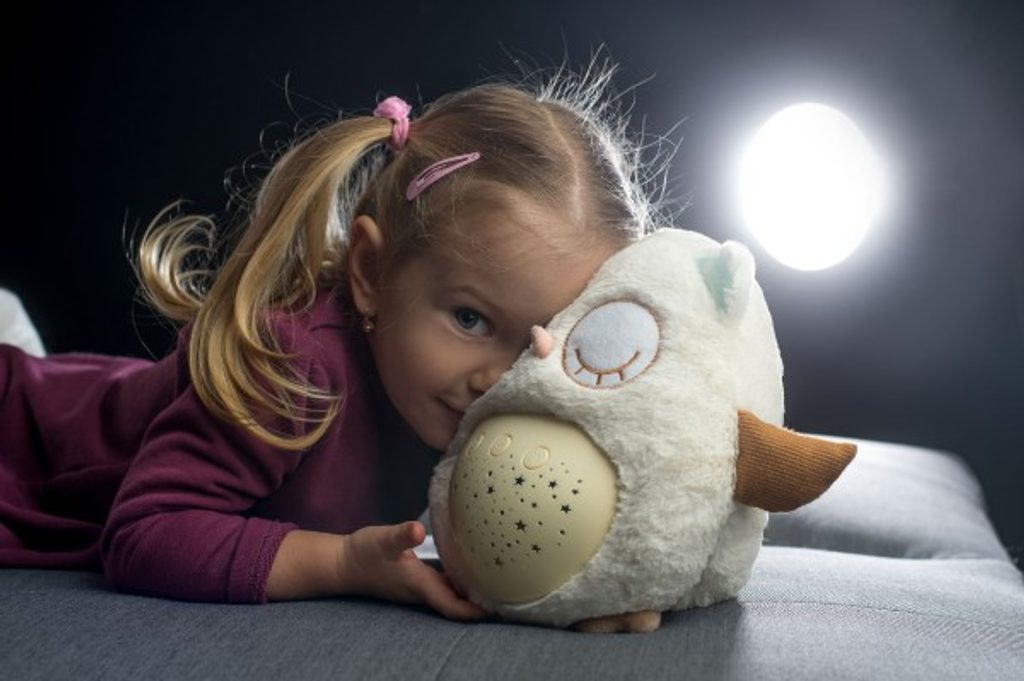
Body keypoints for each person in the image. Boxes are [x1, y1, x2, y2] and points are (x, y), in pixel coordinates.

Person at [0, 61, 667, 620]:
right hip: (25, 441)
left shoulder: (509, 397)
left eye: (541, 341)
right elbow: (145, 534)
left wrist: (599, 587)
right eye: (469, 319)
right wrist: (344, 561)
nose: (498, 377)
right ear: (372, 272)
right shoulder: (294, 366)